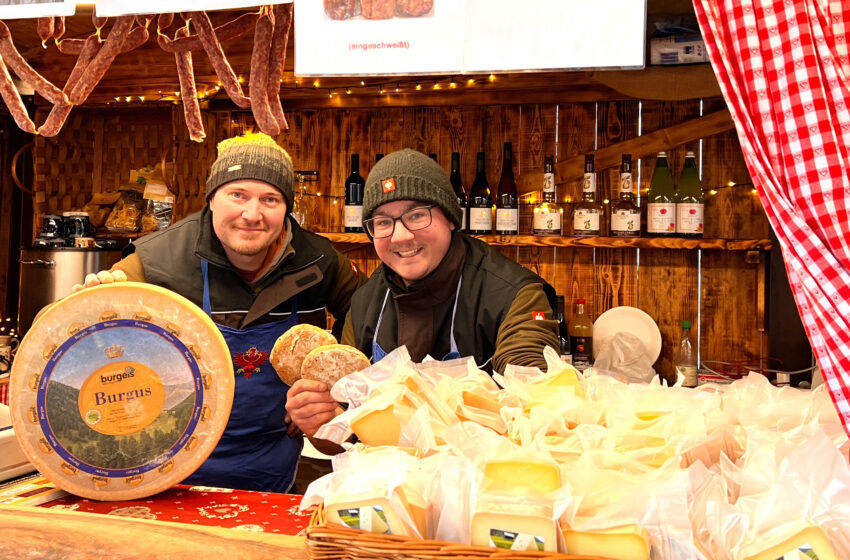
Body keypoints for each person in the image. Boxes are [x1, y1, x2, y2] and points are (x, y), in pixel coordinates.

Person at [78, 133, 365, 492]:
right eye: (238, 195)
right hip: (168, 467)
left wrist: (331, 394)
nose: (252, 214)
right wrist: (93, 307)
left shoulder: (319, 260)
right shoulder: (157, 261)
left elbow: (368, 312)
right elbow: (94, 337)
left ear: (286, 207)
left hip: (275, 461)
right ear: (212, 198)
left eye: (270, 199)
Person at [286, 148, 559, 439]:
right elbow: (347, 433)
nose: (401, 236)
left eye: (417, 215)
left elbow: (533, 382)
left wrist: (530, 394)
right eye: (382, 222)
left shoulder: (513, 293)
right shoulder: (366, 302)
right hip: (388, 480)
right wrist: (322, 424)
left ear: (450, 218)